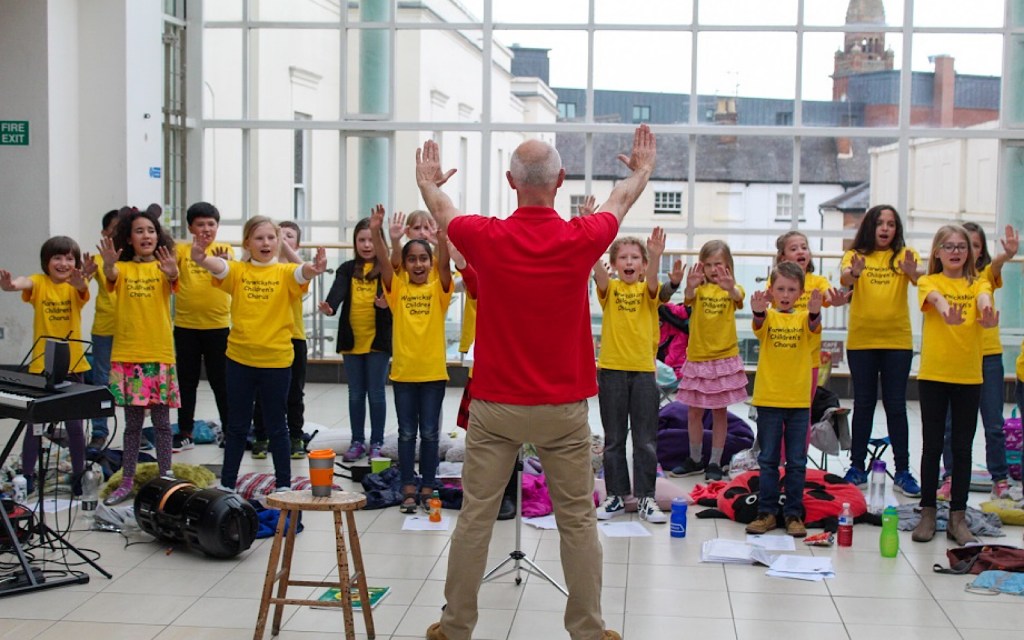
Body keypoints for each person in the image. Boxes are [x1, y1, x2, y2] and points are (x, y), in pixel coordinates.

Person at [420, 124, 656, 640]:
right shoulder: (580, 237)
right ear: (560, 180)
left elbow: (443, 214)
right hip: (562, 408)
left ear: (511, 181)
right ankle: (589, 630)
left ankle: (455, 626)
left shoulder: (487, 236)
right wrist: (641, 171)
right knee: (577, 520)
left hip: (495, 405)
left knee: (476, 518)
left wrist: (428, 184)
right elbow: (618, 200)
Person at [189, 216, 326, 493]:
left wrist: (314, 268)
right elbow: (219, 266)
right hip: (239, 361)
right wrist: (201, 258)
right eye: (259, 238)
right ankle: (228, 484)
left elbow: (303, 274)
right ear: (247, 243)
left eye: (271, 238)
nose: (266, 243)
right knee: (237, 427)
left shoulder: (285, 273)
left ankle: (283, 484)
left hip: (276, 362)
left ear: (278, 242)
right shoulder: (239, 271)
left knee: (278, 426)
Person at [911, 224, 998, 546]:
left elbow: (985, 297)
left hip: (968, 376)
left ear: (970, 252)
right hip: (934, 375)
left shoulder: (980, 282)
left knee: (962, 449)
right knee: (932, 447)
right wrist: (947, 310)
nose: (956, 251)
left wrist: (987, 312)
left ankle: (958, 517)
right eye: (948, 246)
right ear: (937, 252)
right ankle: (928, 512)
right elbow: (935, 298)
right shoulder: (927, 280)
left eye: (961, 246)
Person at [369, 204, 453, 514]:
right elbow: (382, 261)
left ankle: (428, 484)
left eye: (423, 259)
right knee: (406, 433)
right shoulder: (397, 290)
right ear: (404, 265)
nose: (418, 264)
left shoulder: (438, 290)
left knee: (430, 433)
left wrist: (441, 241)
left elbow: (445, 268)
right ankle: (407, 485)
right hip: (403, 374)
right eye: (412, 259)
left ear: (430, 263)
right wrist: (380, 232)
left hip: (432, 374)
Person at [592, 228, 678, 524]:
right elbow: (598, 274)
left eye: (635, 258)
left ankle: (645, 497)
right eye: (623, 257)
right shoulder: (610, 290)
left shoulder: (647, 292)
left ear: (642, 265)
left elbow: (654, 281)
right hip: (612, 371)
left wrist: (655, 256)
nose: (629, 262)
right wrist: (592, 236)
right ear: (614, 264)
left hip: (643, 373)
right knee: (614, 438)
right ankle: (615, 495)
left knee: (645, 440)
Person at [0, 237, 94, 495]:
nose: (63, 263)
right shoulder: (39, 283)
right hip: (41, 367)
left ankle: (78, 474)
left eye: (69, 258)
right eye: (57, 258)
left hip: (74, 365)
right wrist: (10, 286)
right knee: (34, 425)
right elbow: (22, 283)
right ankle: (28, 476)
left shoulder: (76, 287)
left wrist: (81, 281)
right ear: (46, 262)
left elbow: (82, 287)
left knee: (75, 426)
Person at [98, 210, 180, 505]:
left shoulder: (164, 266)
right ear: (129, 239)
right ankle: (127, 480)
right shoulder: (122, 269)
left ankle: (167, 477)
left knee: (161, 424)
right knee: (132, 425)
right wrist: (108, 264)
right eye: (139, 231)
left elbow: (173, 279)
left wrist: (171, 270)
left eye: (151, 230)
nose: (146, 235)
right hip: (128, 356)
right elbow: (111, 275)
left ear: (158, 236)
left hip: (158, 355)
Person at [839, 204, 922, 496]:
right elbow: (845, 278)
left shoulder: (904, 255)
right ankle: (857, 467)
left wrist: (914, 273)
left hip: (897, 342)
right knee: (863, 404)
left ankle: (902, 471)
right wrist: (855, 273)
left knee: (896, 406)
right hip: (862, 342)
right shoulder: (854, 255)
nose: (885, 229)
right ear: (870, 227)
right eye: (880, 223)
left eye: (891, 224)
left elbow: (918, 280)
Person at [937, 223, 1018, 501]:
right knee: (951, 425)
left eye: (973, 244)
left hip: (988, 357)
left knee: (993, 423)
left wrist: (1006, 256)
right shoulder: (944, 279)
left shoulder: (983, 275)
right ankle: (949, 477)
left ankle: (1000, 479)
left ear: (981, 249)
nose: (966, 250)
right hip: (958, 359)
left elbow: (994, 269)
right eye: (960, 244)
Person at [744, 261, 823, 538]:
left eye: (791, 289)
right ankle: (766, 512)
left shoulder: (804, 318)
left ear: (801, 292)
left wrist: (815, 313)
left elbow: (814, 326)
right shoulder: (768, 317)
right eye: (780, 288)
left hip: (799, 403)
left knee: (797, 461)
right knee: (767, 459)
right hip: (768, 401)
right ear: (771, 290)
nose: (786, 294)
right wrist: (756, 309)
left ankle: (793, 514)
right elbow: (758, 323)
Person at [672, 240, 747, 481]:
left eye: (720, 264)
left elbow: (738, 296)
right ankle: (695, 459)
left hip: (723, 358)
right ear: (701, 267)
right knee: (694, 412)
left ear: (729, 266)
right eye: (709, 265)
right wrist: (690, 286)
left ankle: (715, 461)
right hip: (698, 359)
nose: (714, 269)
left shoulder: (733, 289)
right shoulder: (699, 291)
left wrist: (730, 287)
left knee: (719, 412)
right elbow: (688, 297)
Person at [320, 218, 392, 463]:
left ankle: (378, 441)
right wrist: (329, 308)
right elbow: (335, 297)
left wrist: (387, 304)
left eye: (371, 239)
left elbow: (397, 298)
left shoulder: (387, 268)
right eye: (361, 240)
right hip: (352, 341)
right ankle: (357, 441)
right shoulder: (348, 268)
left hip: (377, 342)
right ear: (355, 243)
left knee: (377, 392)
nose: (366, 244)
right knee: (355, 394)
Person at [773, 231, 850, 459]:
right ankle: (778, 459)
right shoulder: (777, 281)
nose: (801, 251)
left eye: (804, 247)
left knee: (802, 413)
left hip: (808, 362)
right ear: (782, 257)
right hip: (781, 361)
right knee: (778, 413)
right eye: (794, 248)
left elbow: (828, 293)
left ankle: (797, 461)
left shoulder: (817, 281)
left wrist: (835, 299)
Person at [172, 201, 234, 452]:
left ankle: (229, 430)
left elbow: (229, 274)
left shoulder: (225, 248)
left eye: (211, 224)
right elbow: (171, 277)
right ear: (190, 227)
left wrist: (224, 263)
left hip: (218, 326)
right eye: (200, 224)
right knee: (187, 382)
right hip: (186, 326)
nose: (206, 229)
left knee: (222, 381)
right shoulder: (181, 251)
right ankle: (184, 431)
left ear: (217, 227)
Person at [252, 220, 310, 460]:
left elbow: (304, 267)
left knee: (294, 392)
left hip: (294, 337)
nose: (280, 240)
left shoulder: (293, 273)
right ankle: (261, 437)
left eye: (289, 237)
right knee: (262, 393)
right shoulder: (264, 270)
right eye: (279, 235)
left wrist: (285, 246)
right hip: (267, 340)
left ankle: (296, 436)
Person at [88, 209, 119, 448]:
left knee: (133, 384)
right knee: (101, 380)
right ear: (104, 232)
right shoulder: (98, 261)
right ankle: (99, 432)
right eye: (114, 228)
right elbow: (79, 284)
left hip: (134, 331)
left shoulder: (136, 260)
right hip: (105, 329)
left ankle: (136, 435)